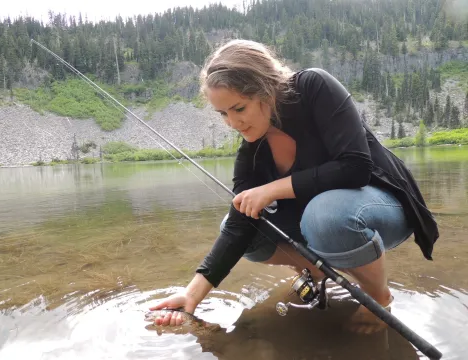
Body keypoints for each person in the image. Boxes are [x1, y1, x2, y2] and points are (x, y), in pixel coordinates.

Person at [148, 39, 439, 333]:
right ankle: (311, 268)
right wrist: (192, 294)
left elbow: (356, 168)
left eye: (239, 108)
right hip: (325, 221)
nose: (232, 123)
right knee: (238, 223)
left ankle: (378, 295)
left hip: (384, 207)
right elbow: (239, 223)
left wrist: (271, 189)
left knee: (323, 215)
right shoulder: (252, 147)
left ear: (266, 90)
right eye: (223, 114)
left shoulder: (313, 87)